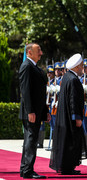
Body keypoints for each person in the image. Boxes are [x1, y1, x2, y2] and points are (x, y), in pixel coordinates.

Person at [49, 53, 86, 175]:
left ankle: (66, 166)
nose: (83, 68)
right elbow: (73, 100)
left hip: (65, 116)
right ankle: (68, 167)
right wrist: (77, 117)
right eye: (81, 66)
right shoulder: (73, 80)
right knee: (71, 142)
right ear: (76, 67)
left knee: (67, 141)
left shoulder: (67, 77)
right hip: (70, 118)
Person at [19, 43, 50, 179]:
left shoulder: (34, 67)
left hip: (36, 111)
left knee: (30, 140)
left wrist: (45, 110)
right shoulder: (27, 66)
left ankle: (25, 168)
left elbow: (40, 93)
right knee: (31, 141)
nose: (41, 53)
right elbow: (25, 91)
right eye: (39, 51)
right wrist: (30, 111)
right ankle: (27, 170)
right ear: (30, 52)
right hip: (31, 112)